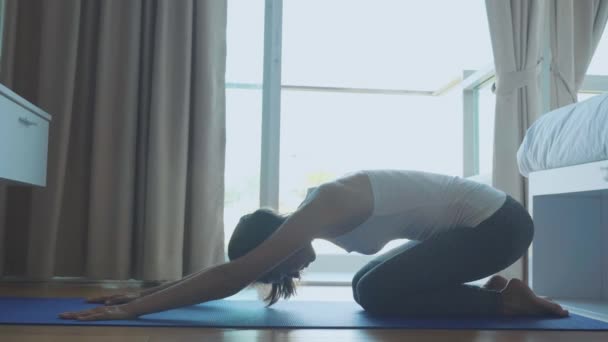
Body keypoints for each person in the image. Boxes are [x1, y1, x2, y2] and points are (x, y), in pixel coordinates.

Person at [59, 170, 568, 321]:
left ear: (275, 242)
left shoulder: (326, 205)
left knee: (375, 293)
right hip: (474, 231)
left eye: (276, 265)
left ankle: (505, 301)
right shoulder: (312, 214)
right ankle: (498, 290)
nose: (288, 272)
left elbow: (231, 276)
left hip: (501, 227)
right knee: (367, 285)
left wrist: (133, 314)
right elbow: (227, 270)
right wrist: (141, 295)